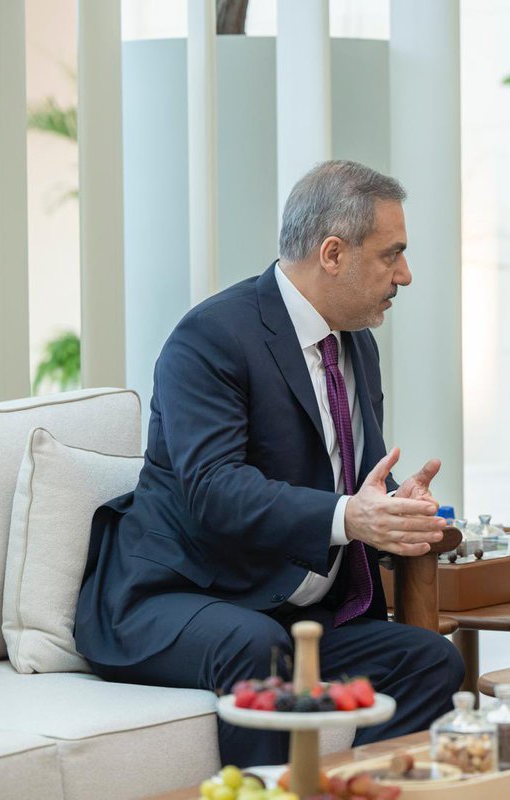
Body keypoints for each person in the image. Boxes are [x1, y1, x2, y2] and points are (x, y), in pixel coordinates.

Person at [75, 160, 464, 767]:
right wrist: (349, 516)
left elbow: (346, 489)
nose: (406, 275)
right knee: (256, 646)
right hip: (172, 596)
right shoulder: (210, 338)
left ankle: (354, 786)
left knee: (430, 658)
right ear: (333, 254)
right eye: (392, 255)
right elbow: (214, 490)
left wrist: (387, 511)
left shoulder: (356, 341)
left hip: (285, 609)